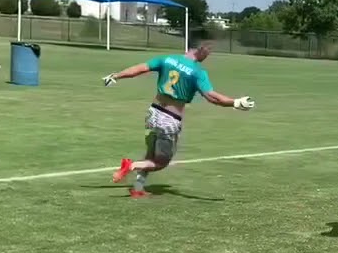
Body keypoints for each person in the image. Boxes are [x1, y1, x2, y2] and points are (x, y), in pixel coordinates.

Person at [103, 41, 254, 197]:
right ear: (200, 48)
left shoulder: (166, 59)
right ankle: (130, 166)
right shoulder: (197, 72)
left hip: (153, 113)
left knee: (150, 153)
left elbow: (139, 69)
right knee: (161, 162)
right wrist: (235, 102)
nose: (208, 55)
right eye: (208, 51)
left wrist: (116, 76)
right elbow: (212, 97)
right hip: (170, 120)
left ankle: (138, 188)